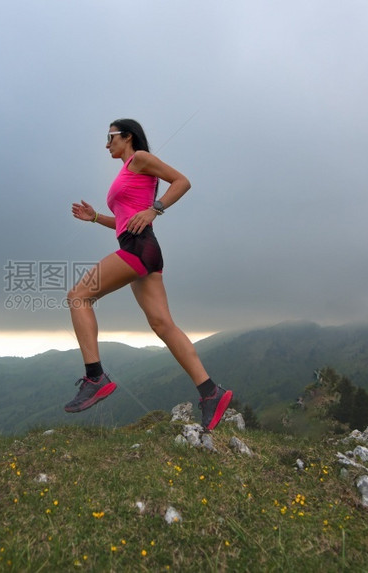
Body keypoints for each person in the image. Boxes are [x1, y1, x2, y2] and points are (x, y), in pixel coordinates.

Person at [64, 118, 232, 431]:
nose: (107, 144)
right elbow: (126, 221)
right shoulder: (129, 169)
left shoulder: (140, 159)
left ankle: (95, 376)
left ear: (127, 136)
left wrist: (155, 208)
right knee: (162, 324)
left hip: (139, 248)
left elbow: (182, 181)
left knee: (78, 296)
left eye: (110, 137)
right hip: (141, 246)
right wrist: (95, 217)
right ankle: (210, 392)